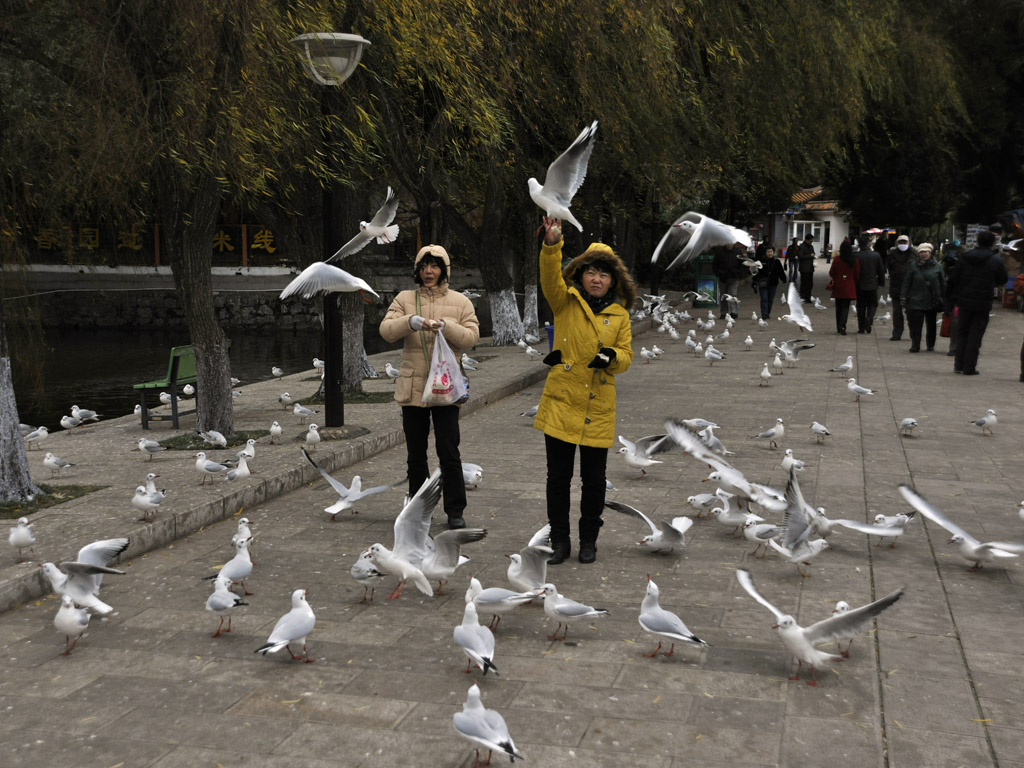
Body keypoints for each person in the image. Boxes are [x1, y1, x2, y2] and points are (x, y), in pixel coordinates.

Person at [535, 217, 635, 564]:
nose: (596, 279)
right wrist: (552, 245)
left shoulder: (620, 315)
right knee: (558, 479)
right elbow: (550, 277)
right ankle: (559, 541)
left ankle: (589, 540)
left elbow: (626, 356)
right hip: (562, 400)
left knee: (594, 481)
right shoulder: (565, 301)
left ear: (612, 281)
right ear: (581, 274)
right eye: (591, 272)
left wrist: (611, 357)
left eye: (603, 274)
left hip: (598, 404)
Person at [379, 244, 480, 529]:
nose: (429, 271)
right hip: (413, 389)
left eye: (435, 266)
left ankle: (455, 510)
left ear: (444, 270)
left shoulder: (461, 302)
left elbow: (471, 338)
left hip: (446, 387)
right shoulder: (404, 298)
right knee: (415, 453)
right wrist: (410, 322)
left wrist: (447, 326)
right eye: (424, 266)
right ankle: (419, 509)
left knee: (449, 450)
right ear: (417, 269)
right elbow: (385, 331)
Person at [945, 230, 1008, 375]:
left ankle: (958, 364)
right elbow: (1003, 279)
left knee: (962, 333)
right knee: (975, 335)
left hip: (964, 301)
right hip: (983, 302)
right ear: (992, 243)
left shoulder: (964, 258)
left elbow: (954, 279)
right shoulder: (995, 260)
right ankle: (969, 367)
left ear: (977, 242)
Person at [900, 242, 945, 352]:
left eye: (925, 252)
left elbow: (942, 283)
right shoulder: (913, 266)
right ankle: (915, 345)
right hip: (916, 299)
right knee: (916, 325)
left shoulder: (937, 266)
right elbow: (907, 282)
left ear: (930, 253)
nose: (923, 254)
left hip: (932, 300)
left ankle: (930, 344)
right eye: (921, 252)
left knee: (931, 325)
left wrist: (944, 298)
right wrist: (903, 296)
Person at [885, 234, 917, 341]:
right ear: (897, 243)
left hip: (911, 288)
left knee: (911, 313)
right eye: (901, 242)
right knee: (897, 313)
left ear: (909, 243)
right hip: (896, 287)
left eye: (905, 242)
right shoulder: (892, 254)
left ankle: (914, 334)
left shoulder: (914, 254)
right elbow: (889, 268)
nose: (903, 244)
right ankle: (897, 333)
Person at [854, 234, 886, 333]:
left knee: (860, 306)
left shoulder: (856, 256)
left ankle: (861, 327)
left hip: (860, 285)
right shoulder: (876, 255)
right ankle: (869, 318)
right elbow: (881, 270)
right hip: (872, 284)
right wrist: (881, 282)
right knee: (872, 304)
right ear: (869, 243)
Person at [828, 240, 860, 334]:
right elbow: (857, 274)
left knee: (838, 307)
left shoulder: (837, 260)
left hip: (839, 285)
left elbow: (831, 272)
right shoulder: (854, 260)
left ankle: (838, 326)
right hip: (849, 286)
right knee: (846, 307)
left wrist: (837, 278)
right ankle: (843, 325)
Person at [753, 245, 786, 320]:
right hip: (763, 283)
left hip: (773, 283)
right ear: (765, 253)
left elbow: (780, 271)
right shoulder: (760, 262)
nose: (770, 253)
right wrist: (754, 281)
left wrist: (783, 279)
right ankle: (764, 313)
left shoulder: (777, 262)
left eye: (771, 252)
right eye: (768, 252)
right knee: (764, 298)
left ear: (773, 252)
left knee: (770, 299)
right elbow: (756, 272)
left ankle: (767, 313)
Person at [713, 243, 746, 319]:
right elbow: (715, 264)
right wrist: (718, 273)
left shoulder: (737, 252)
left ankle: (734, 312)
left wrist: (740, 273)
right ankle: (723, 312)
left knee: (733, 294)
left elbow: (742, 263)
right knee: (723, 296)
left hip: (734, 277)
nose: (729, 245)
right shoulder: (720, 252)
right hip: (723, 277)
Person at [797, 234, 816, 302]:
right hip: (804, 268)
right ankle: (803, 297)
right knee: (804, 283)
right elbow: (800, 256)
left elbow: (813, 253)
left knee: (810, 283)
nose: (811, 242)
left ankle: (808, 296)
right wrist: (810, 255)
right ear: (807, 240)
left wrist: (813, 255)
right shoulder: (802, 246)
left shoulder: (811, 246)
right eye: (811, 240)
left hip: (810, 268)